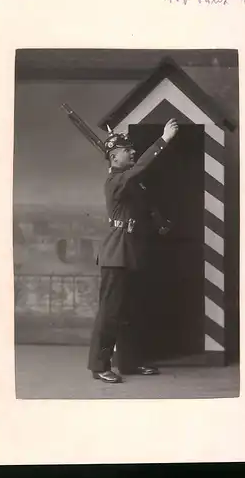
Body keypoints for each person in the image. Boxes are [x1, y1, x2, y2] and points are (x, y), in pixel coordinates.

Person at [87, 118, 179, 383]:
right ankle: (99, 365)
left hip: (132, 253)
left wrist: (161, 222)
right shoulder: (116, 181)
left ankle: (130, 362)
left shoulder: (130, 184)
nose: (133, 153)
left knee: (131, 312)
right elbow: (138, 170)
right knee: (110, 313)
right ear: (114, 157)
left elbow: (145, 202)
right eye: (128, 150)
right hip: (117, 254)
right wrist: (163, 140)